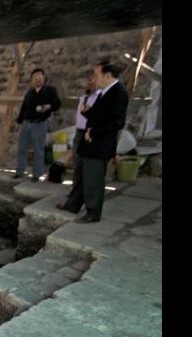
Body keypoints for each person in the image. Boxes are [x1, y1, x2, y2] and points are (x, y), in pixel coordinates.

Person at [75, 60, 129, 223]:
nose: (94, 78)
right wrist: (87, 113)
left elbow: (118, 122)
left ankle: (93, 213)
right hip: (92, 143)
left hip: (100, 144)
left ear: (107, 75)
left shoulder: (118, 93)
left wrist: (94, 132)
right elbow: (101, 116)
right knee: (87, 177)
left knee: (94, 180)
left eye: (97, 75)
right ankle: (85, 207)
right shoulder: (105, 92)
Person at [56, 73, 101, 214]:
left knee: (88, 171)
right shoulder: (84, 97)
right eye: (89, 79)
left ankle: (87, 204)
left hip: (90, 133)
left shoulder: (101, 98)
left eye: (93, 78)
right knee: (77, 167)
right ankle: (74, 202)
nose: (90, 82)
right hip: (79, 133)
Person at [14, 68, 61, 182]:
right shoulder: (30, 92)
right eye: (35, 77)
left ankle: (37, 174)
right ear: (32, 80)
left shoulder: (50, 90)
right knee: (22, 148)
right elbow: (24, 107)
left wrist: (46, 107)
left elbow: (57, 104)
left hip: (39, 123)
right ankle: (20, 171)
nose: (38, 78)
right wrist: (19, 122)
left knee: (38, 150)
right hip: (27, 123)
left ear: (44, 78)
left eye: (40, 76)